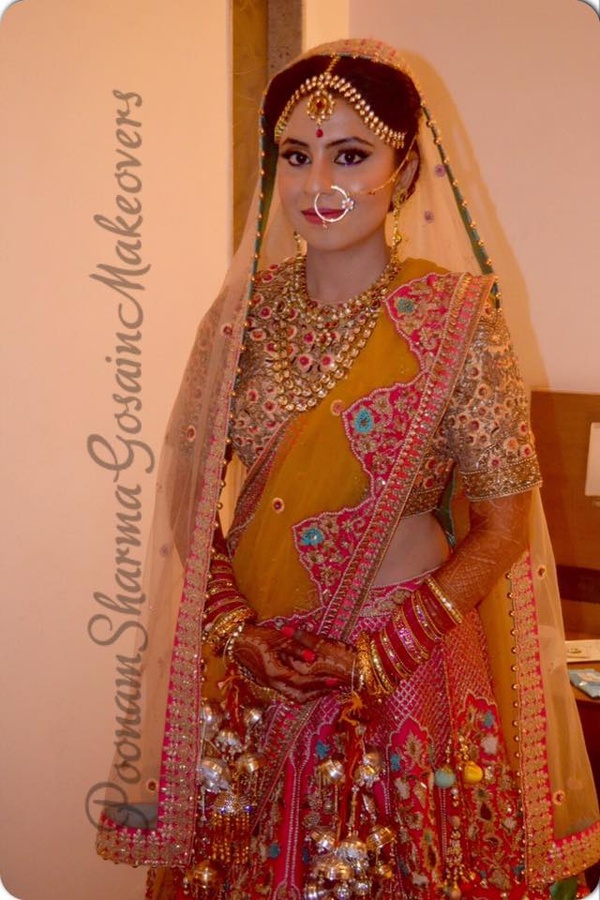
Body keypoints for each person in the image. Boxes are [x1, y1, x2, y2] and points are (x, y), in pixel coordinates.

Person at [95, 38, 600, 899]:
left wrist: (379, 657)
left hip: (405, 675)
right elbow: (189, 501)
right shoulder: (241, 321)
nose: (318, 183)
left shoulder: (455, 319)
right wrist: (236, 633)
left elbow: (503, 526)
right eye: (297, 156)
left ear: (404, 171)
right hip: (257, 669)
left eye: (351, 154)